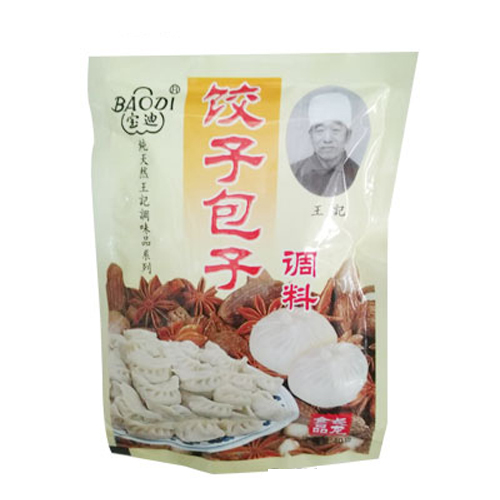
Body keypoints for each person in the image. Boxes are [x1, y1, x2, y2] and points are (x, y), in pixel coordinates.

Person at [292, 93, 359, 197]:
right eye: (320, 130)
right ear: (311, 135)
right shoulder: (295, 172)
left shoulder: (359, 174)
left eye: (335, 130)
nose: (327, 139)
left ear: (348, 135)